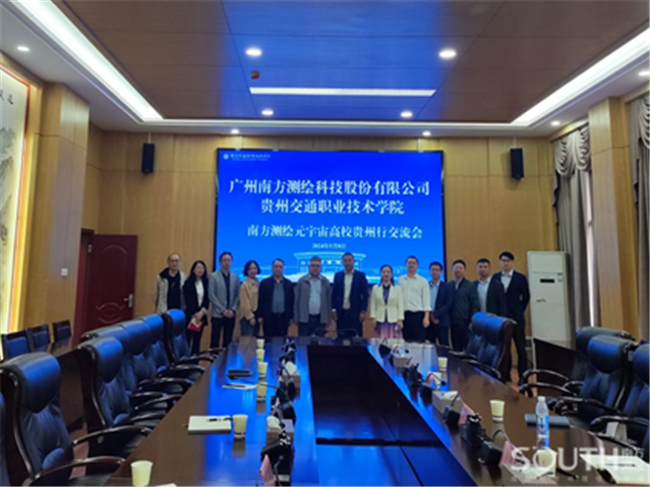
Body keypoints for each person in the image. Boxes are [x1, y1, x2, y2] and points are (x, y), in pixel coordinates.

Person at [493, 251, 531, 382]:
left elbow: (526, 296)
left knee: (520, 347)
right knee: (504, 348)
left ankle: (523, 376)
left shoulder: (520, 278)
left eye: (508, 261)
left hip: (517, 317)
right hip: (502, 318)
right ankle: (505, 375)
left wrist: (519, 309)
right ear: (500, 262)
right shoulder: (496, 277)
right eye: (503, 260)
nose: (505, 263)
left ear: (512, 262)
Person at [332, 252, 369, 338]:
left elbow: (365, 295)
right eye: (345, 261)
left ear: (353, 262)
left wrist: (363, 311)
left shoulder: (360, 276)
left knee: (356, 339)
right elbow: (334, 294)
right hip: (341, 314)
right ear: (342, 262)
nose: (347, 263)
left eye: (349, 260)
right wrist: (333, 309)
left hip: (355, 314)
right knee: (340, 339)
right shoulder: (338, 276)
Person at [209, 251, 240, 348]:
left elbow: (237, 295)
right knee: (215, 340)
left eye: (229, 260)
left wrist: (233, 309)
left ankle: (226, 357)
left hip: (231, 314)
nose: (227, 262)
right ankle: (214, 357)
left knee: (228, 340)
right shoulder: (213, 276)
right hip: (217, 314)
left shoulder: (235, 277)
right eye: (224, 260)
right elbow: (211, 295)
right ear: (220, 262)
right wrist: (223, 310)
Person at [294, 256, 332, 337]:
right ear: (309, 267)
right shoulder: (302, 281)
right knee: (303, 342)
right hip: (304, 319)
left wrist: (328, 318)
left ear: (321, 267)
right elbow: (296, 301)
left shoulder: (325, 281)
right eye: (313, 265)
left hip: (320, 319)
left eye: (317, 266)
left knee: (320, 342)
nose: (315, 268)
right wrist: (296, 317)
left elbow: (329, 302)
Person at [257, 259, 295, 337]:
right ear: (272, 268)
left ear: (283, 268)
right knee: (268, 340)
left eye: (280, 267)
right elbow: (260, 300)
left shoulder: (288, 284)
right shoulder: (264, 283)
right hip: (268, 317)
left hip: (283, 317)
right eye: (276, 267)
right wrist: (260, 316)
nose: (278, 269)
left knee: (282, 340)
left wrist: (291, 317)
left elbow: (291, 302)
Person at [397, 256, 430, 342]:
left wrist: (426, 317)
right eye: (409, 263)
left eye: (413, 263)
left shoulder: (423, 281)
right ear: (406, 264)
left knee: (418, 342)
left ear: (417, 265)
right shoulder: (400, 280)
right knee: (405, 342)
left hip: (418, 315)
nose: (411, 265)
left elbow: (426, 301)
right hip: (404, 315)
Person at [450, 259, 479, 351]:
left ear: (464, 270)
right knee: (455, 349)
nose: (458, 270)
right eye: (456, 268)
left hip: (466, 322)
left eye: (460, 268)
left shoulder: (470, 286)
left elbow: (475, 304)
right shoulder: (448, 285)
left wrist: (472, 321)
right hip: (452, 323)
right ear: (452, 270)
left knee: (467, 349)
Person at [369, 265, 404, 339]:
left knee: (393, 342)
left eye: (388, 272)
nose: (386, 274)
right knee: (379, 341)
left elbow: (400, 305)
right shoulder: (375, 288)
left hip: (393, 320)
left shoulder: (397, 289)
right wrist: (373, 317)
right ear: (381, 274)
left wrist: (400, 319)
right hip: (379, 320)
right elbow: (373, 304)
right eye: (384, 272)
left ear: (391, 274)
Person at [182, 260, 210, 354]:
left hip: (201, 316)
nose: (200, 270)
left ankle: (195, 361)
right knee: (187, 340)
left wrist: (201, 313)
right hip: (191, 316)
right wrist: (195, 314)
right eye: (198, 267)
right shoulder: (188, 283)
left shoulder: (206, 283)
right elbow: (188, 300)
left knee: (197, 341)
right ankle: (186, 360)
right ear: (193, 270)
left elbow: (207, 299)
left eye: (202, 268)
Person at [427, 261, 453, 346]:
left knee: (444, 346)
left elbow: (448, 304)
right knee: (430, 346)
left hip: (442, 321)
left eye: (437, 270)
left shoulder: (447, 286)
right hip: (428, 321)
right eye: (433, 270)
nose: (434, 272)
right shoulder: (426, 285)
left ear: (441, 272)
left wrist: (435, 314)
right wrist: (430, 315)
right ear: (430, 271)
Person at [239, 260, 260, 337]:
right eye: (250, 269)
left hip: (257, 315)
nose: (253, 271)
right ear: (246, 271)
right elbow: (244, 303)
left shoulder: (259, 283)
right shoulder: (244, 285)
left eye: (254, 268)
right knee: (247, 340)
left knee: (255, 339)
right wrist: (250, 317)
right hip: (247, 317)